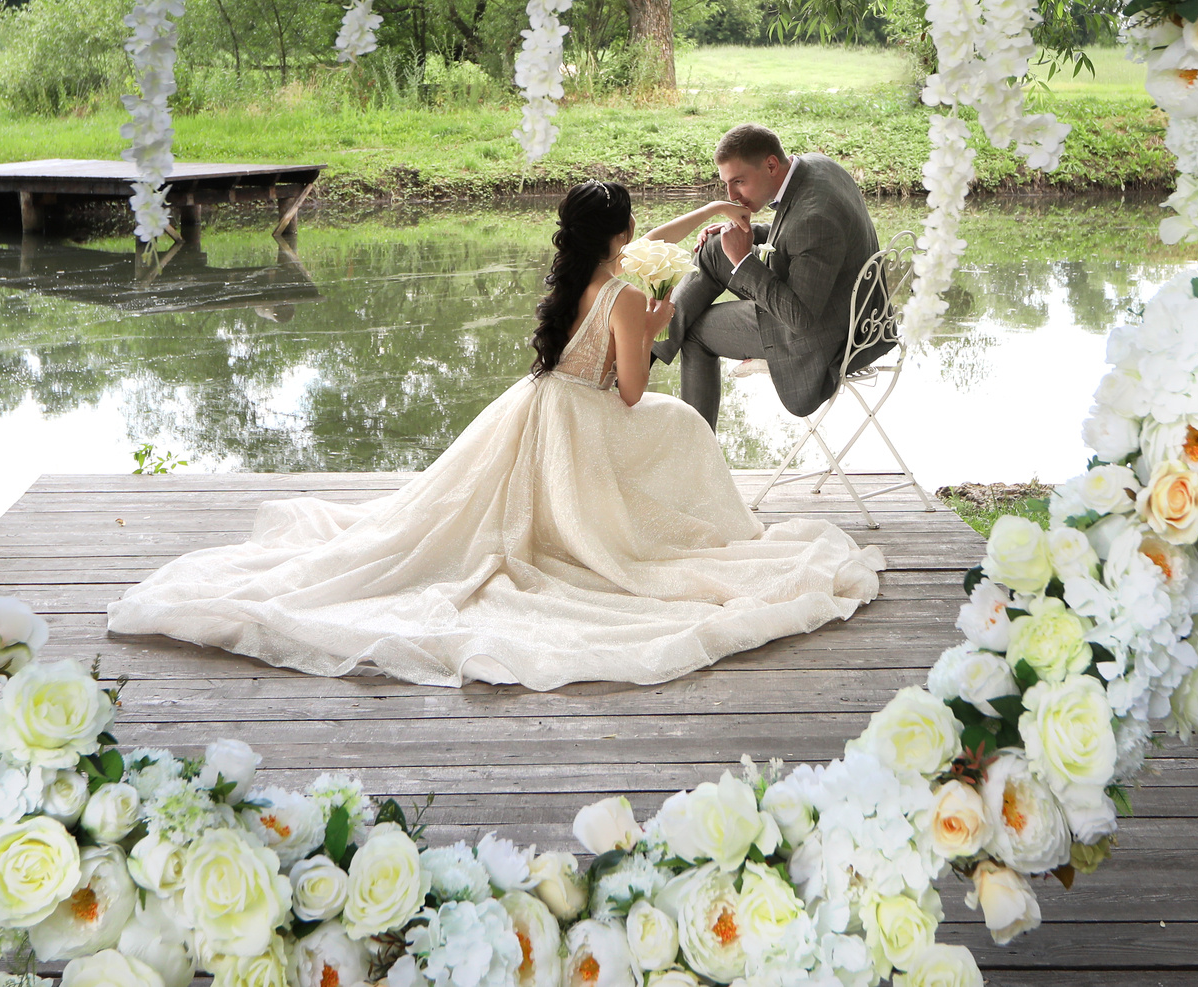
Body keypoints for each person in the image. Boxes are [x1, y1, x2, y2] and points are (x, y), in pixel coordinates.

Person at [103, 181, 883, 689]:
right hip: (588, 416)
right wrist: (654, 321)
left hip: (542, 403)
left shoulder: (583, 275)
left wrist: (709, 220)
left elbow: (652, 243)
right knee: (679, 423)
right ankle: (693, 534)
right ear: (621, 235)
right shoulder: (620, 295)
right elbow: (636, 388)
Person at [654, 123, 889, 427]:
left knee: (695, 331)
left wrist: (741, 259)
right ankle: (648, 352)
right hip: (841, 304)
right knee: (714, 249)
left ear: (771, 165)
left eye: (739, 181)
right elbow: (800, 238)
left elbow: (801, 317)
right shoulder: (817, 167)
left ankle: (698, 458)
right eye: (727, 183)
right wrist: (751, 235)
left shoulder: (814, 218)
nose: (731, 194)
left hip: (823, 336)